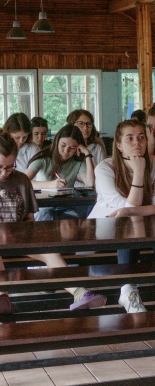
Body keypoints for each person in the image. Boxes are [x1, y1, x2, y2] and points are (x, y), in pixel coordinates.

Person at [89, 119, 155, 313]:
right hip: (108, 227)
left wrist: (130, 211)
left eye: (141, 138)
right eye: (129, 138)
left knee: (152, 223)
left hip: (145, 223)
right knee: (131, 224)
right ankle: (128, 290)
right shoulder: (104, 168)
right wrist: (139, 172)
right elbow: (125, 208)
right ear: (119, 145)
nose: (137, 143)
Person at [0, 130, 106, 314]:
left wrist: (24, 234)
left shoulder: (21, 180)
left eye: (9, 167)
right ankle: (3, 297)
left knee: (50, 252)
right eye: (0, 167)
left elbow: (29, 219)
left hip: (17, 240)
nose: (4, 173)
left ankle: (80, 293)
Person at [26, 124, 95, 220]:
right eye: (63, 145)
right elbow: (23, 181)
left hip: (65, 206)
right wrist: (50, 185)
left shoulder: (77, 163)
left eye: (72, 148)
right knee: (48, 216)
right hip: (43, 206)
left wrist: (87, 154)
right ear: (56, 142)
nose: (66, 151)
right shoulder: (44, 159)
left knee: (73, 222)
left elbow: (90, 183)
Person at [67, 109, 107, 185]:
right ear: (72, 125)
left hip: (95, 187)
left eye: (89, 124)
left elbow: (104, 173)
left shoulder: (97, 148)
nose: (85, 128)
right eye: (81, 123)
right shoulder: (66, 148)